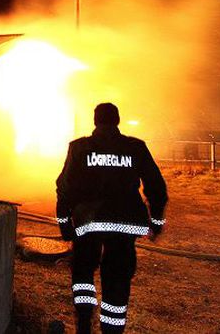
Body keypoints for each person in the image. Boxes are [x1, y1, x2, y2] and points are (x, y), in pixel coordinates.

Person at [56, 103, 168, 333]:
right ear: (117, 120)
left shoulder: (79, 148)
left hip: (87, 223)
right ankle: (112, 330)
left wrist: (65, 224)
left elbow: (65, 187)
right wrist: (156, 222)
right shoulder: (136, 147)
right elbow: (156, 186)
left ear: (95, 121)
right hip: (125, 223)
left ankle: (84, 323)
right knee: (117, 279)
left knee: (83, 272)